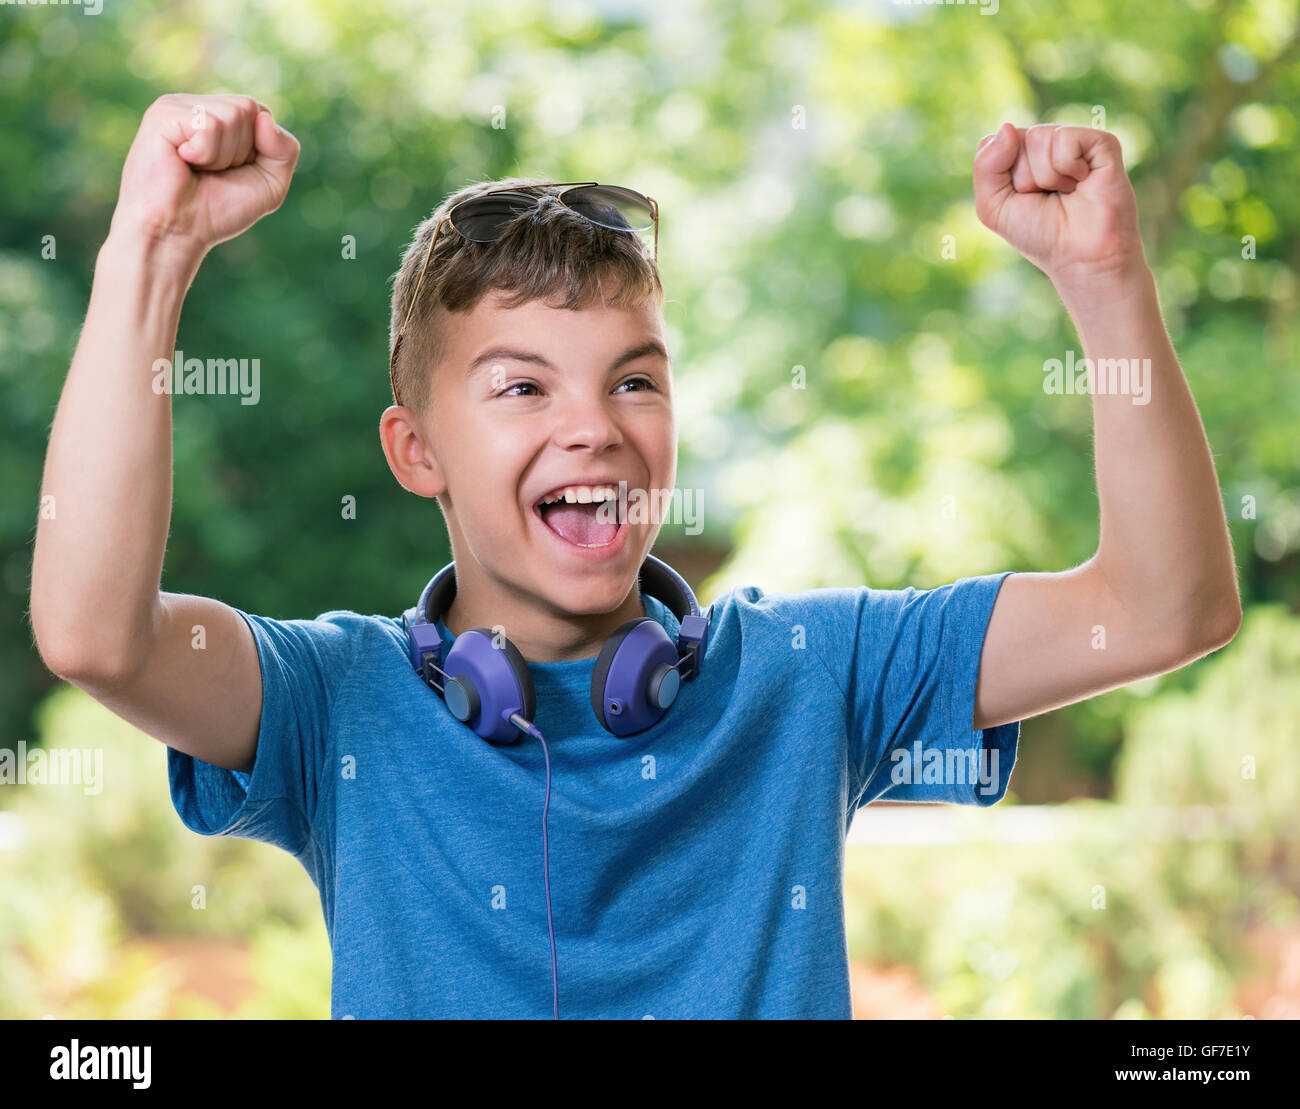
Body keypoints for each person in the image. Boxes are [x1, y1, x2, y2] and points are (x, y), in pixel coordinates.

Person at [29, 95, 1241, 1019]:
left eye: (634, 379)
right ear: (416, 452)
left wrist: (1104, 279)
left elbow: (1158, 607)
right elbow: (95, 630)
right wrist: (151, 250)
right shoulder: (331, 704)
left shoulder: (815, 670)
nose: (593, 424)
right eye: (520, 384)